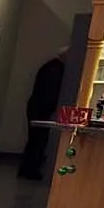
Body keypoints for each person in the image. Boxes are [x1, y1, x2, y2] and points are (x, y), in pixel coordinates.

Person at [19, 51, 66, 181]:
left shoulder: (51, 67)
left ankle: (28, 167)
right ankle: (30, 169)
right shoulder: (55, 69)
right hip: (41, 108)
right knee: (38, 139)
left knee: (36, 139)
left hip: (38, 106)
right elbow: (49, 93)